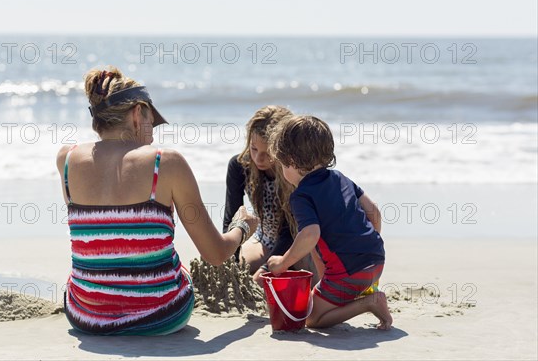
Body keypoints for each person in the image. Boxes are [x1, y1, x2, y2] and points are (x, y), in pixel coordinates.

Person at [56, 67, 259, 335]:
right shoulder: (166, 163)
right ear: (138, 114)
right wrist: (242, 227)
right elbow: (216, 254)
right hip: (161, 315)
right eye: (153, 121)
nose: (153, 135)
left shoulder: (66, 160)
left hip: (85, 316)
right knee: (178, 271)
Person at [267, 115, 392, 330]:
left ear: (291, 162)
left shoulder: (302, 196)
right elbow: (374, 213)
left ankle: (368, 303)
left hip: (350, 273)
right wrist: (366, 247)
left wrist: (282, 263)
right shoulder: (340, 178)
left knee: (311, 319)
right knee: (330, 280)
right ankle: (357, 293)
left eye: (281, 164)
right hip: (377, 260)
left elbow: (310, 234)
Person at [223, 106, 305, 282]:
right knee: (229, 268)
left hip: (299, 243)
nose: (258, 159)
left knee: (304, 281)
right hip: (264, 240)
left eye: (267, 153)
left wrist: (265, 269)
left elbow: (290, 231)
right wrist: (229, 262)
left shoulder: (294, 172)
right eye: (254, 149)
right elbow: (231, 218)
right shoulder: (239, 167)